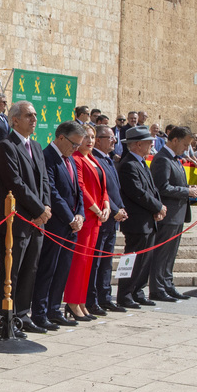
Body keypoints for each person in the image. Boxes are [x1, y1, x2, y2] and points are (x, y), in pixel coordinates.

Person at [0, 101, 52, 336]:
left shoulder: (36, 146)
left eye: (35, 115)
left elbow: (44, 180)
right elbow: (15, 183)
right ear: (15, 119)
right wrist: (39, 209)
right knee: (12, 271)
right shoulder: (7, 146)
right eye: (29, 115)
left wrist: (45, 207)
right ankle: (5, 319)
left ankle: (21, 315)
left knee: (30, 269)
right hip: (16, 221)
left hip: (37, 221)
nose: (34, 119)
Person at [32, 120, 85, 330]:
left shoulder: (70, 159)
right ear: (61, 137)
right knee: (48, 269)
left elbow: (77, 190)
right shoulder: (48, 157)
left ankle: (54, 309)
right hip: (56, 224)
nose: (76, 149)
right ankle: (40, 312)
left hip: (71, 225)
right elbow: (51, 191)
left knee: (62, 269)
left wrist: (80, 214)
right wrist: (70, 218)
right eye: (74, 144)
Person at [116, 125, 166, 308]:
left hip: (148, 220)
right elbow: (138, 193)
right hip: (136, 222)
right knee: (131, 259)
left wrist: (158, 208)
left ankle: (137, 290)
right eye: (148, 142)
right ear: (137, 144)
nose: (151, 145)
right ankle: (125, 293)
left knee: (145, 259)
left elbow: (152, 189)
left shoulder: (141, 162)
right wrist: (157, 206)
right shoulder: (128, 164)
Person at [149, 125, 197, 302]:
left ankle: (167, 284)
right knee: (162, 253)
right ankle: (158, 288)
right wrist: (186, 191)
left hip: (177, 214)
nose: (187, 149)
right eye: (185, 144)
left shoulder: (175, 159)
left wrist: (187, 189)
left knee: (171, 253)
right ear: (174, 140)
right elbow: (162, 187)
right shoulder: (163, 159)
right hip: (168, 214)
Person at [65, 124, 109, 320]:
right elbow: (81, 188)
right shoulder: (77, 160)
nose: (90, 141)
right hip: (87, 216)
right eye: (86, 137)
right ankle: (72, 302)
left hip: (97, 217)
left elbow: (103, 187)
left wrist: (106, 204)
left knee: (88, 263)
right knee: (79, 261)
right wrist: (96, 208)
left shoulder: (93, 159)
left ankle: (81, 302)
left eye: (92, 137)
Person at [88, 125, 127, 313]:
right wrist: (113, 209)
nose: (113, 141)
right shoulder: (94, 159)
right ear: (98, 140)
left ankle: (105, 296)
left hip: (113, 217)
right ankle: (92, 298)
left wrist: (121, 208)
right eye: (109, 138)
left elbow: (115, 189)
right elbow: (99, 191)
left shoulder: (109, 160)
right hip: (103, 216)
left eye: (114, 139)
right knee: (97, 262)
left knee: (107, 260)